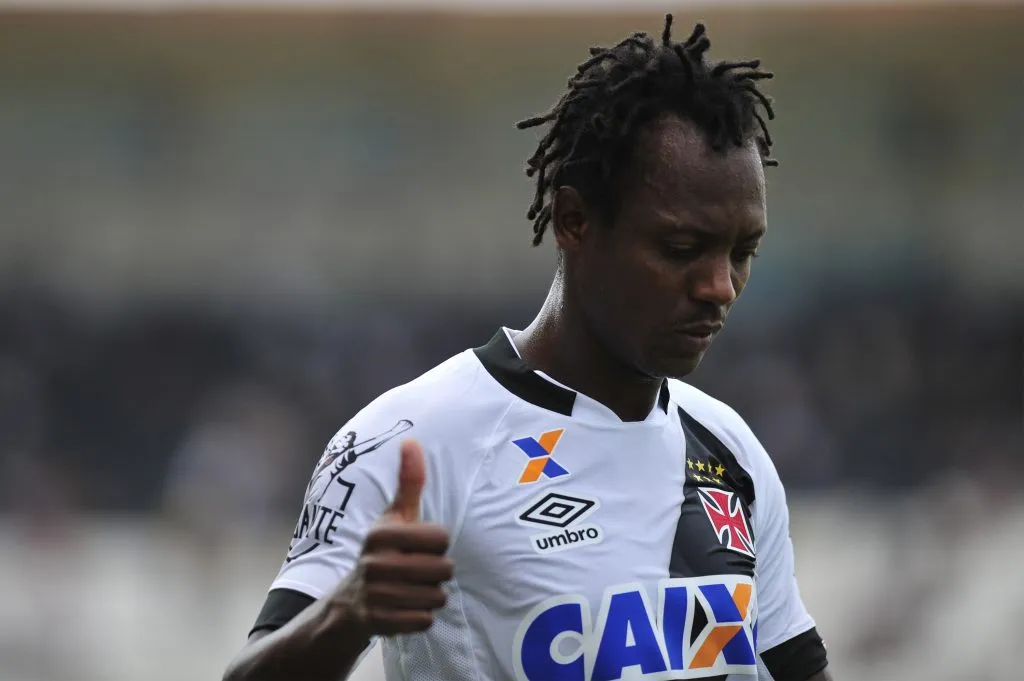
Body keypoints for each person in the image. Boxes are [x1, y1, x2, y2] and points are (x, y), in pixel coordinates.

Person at [223, 14, 831, 681]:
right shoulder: (412, 441)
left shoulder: (729, 450)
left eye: (743, 252)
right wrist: (348, 612)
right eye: (682, 249)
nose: (721, 286)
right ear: (574, 220)